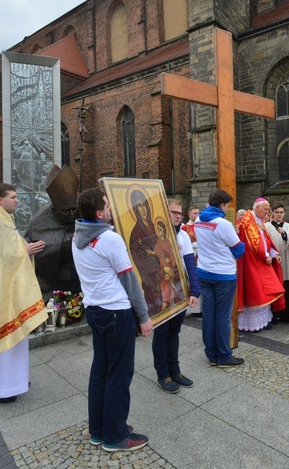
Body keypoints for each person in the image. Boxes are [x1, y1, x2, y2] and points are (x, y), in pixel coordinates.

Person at [72, 187, 153, 452]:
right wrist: (143, 316)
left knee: (100, 372)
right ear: (99, 212)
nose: (111, 210)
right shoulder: (110, 239)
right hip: (117, 313)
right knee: (119, 375)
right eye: (107, 206)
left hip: (95, 310)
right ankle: (115, 436)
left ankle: (98, 430)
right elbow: (129, 280)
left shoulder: (78, 236)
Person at [0, 183, 48, 403]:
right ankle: (4, 389)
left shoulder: (4, 218)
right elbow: (6, 257)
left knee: (17, 339)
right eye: (13, 197)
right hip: (5, 291)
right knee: (8, 339)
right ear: (0, 200)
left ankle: (15, 381)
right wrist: (26, 250)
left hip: (9, 288)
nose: (17, 200)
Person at [152, 198, 201, 393]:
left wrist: (195, 290)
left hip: (180, 291)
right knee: (162, 333)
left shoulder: (183, 236)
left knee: (175, 332)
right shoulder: (154, 238)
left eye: (180, 213)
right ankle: (162, 374)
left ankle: (175, 370)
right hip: (161, 291)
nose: (177, 216)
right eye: (173, 212)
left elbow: (190, 264)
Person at [195, 189, 245, 367]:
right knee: (223, 316)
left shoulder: (198, 220)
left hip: (204, 272)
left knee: (209, 315)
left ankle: (211, 354)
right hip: (223, 274)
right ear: (222, 205)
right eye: (227, 206)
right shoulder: (222, 224)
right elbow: (238, 249)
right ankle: (223, 356)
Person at [24, 165, 81, 303]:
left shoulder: (81, 212)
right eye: (67, 211)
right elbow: (33, 247)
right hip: (55, 279)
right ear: (54, 210)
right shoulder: (40, 221)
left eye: (74, 209)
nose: (72, 214)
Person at [237, 198, 285, 332]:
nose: (268, 212)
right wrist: (265, 255)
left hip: (262, 261)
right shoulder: (247, 221)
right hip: (251, 263)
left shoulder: (259, 221)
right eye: (266, 209)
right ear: (257, 208)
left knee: (266, 291)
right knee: (255, 292)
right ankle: (252, 324)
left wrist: (273, 252)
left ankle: (263, 321)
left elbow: (265, 241)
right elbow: (253, 244)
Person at [129, 189, 162, 316]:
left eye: (144, 205)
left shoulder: (156, 227)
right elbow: (138, 259)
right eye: (139, 206)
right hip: (151, 276)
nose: (143, 209)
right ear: (135, 210)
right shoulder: (135, 233)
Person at [265, 203, 289, 322]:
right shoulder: (266, 226)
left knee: (287, 285)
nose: (279, 214)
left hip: (286, 259)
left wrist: (285, 235)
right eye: (277, 212)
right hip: (272, 260)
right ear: (272, 213)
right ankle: (273, 313)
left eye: (281, 212)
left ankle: (286, 314)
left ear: (284, 213)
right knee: (273, 285)